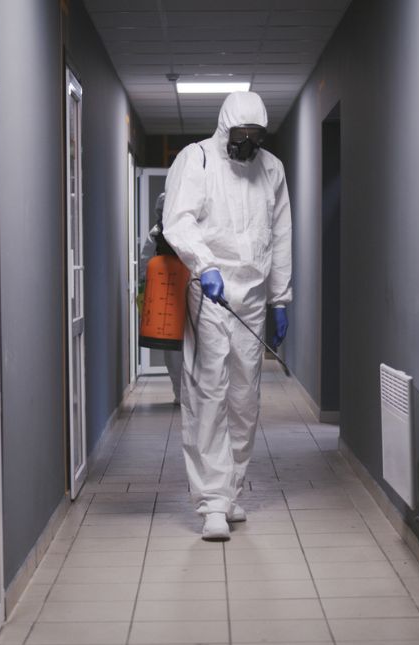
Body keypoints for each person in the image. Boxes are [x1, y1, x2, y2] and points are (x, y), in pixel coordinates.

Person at [162, 91, 292, 540]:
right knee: (208, 390)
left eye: (256, 136)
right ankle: (212, 502)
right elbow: (178, 219)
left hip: (253, 294)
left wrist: (280, 299)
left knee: (244, 395)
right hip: (210, 290)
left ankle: (232, 490)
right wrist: (205, 265)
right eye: (241, 135)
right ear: (225, 129)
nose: (248, 145)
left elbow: (280, 235)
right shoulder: (196, 160)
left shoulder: (272, 169)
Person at [139, 192, 183, 405]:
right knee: (176, 349)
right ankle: (183, 394)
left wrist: (144, 295)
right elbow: (146, 266)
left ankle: (182, 394)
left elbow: (144, 265)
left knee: (175, 351)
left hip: (173, 297)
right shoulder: (158, 234)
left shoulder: (156, 234)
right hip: (171, 297)